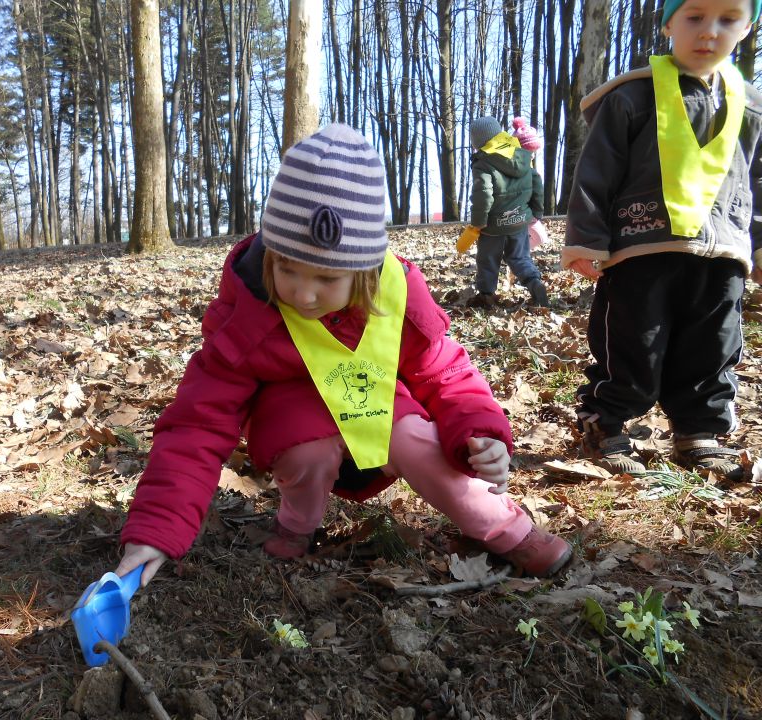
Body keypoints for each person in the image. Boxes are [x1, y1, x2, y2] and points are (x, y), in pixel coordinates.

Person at [114, 123, 571, 588]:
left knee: (418, 439)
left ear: (364, 272)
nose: (304, 294)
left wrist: (481, 432)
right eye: (288, 269)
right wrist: (157, 529)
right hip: (291, 414)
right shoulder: (249, 311)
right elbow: (198, 420)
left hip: (377, 402)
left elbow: (445, 371)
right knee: (306, 451)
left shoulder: (396, 292)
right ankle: (296, 525)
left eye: (328, 279)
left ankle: (505, 529)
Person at [562, 0, 762, 479]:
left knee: (712, 345)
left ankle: (699, 432)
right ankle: (605, 422)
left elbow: (757, 178)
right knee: (634, 344)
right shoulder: (633, 95)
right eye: (694, 17)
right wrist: (588, 238)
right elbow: (596, 170)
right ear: (669, 22)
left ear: (748, 26)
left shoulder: (750, 104)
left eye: (728, 19)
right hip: (642, 249)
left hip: (722, 252)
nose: (709, 32)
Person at [458, 116, 549, 308]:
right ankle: (534, 283)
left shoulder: (483, 162)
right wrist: (536, 212)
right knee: (519, 258)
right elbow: (536, 183)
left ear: (478, 142)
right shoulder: (520, 154)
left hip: (493, 226)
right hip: (519, 221)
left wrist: (478, 222)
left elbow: (483, 194)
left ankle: (486, 295)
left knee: (488, 260)